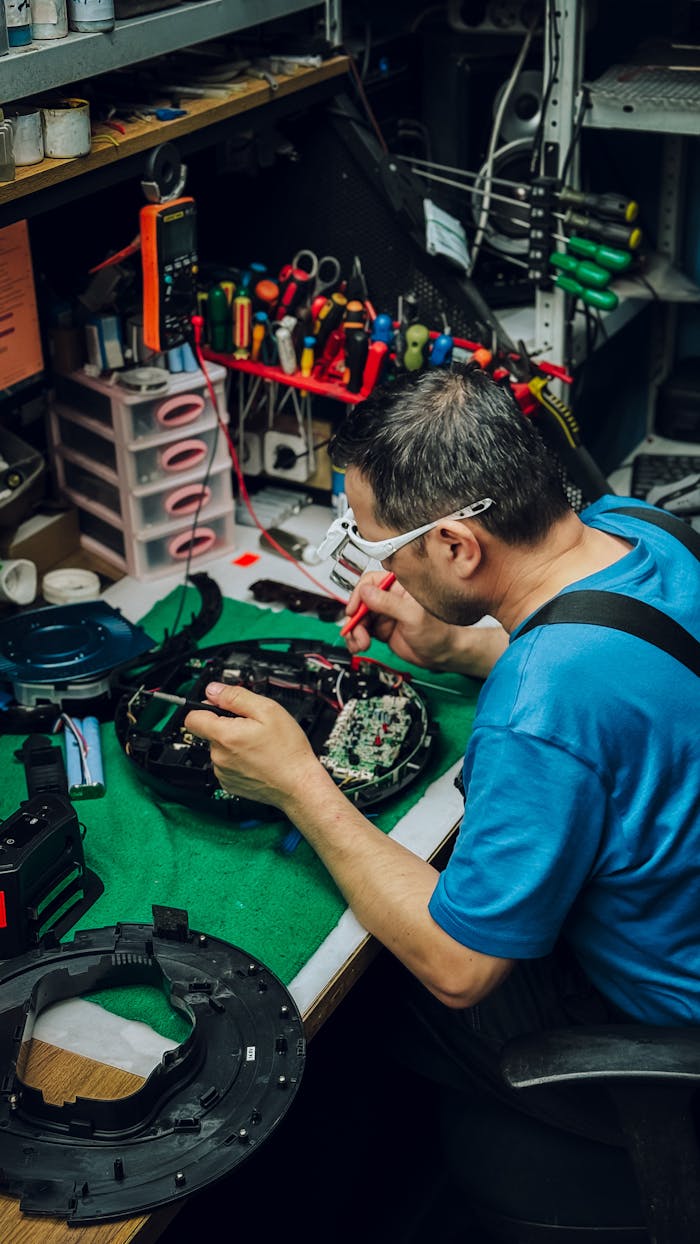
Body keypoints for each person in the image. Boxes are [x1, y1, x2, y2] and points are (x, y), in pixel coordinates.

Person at [186, 363, 700, 1228]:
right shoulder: (645, 530)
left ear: (460, 545)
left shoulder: (540, 709)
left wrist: (298, 783)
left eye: (381, 545)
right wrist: (467, 648)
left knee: (367, 995)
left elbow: (461, 968)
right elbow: (630, 685)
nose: (374, 566)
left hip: (663, 1021)